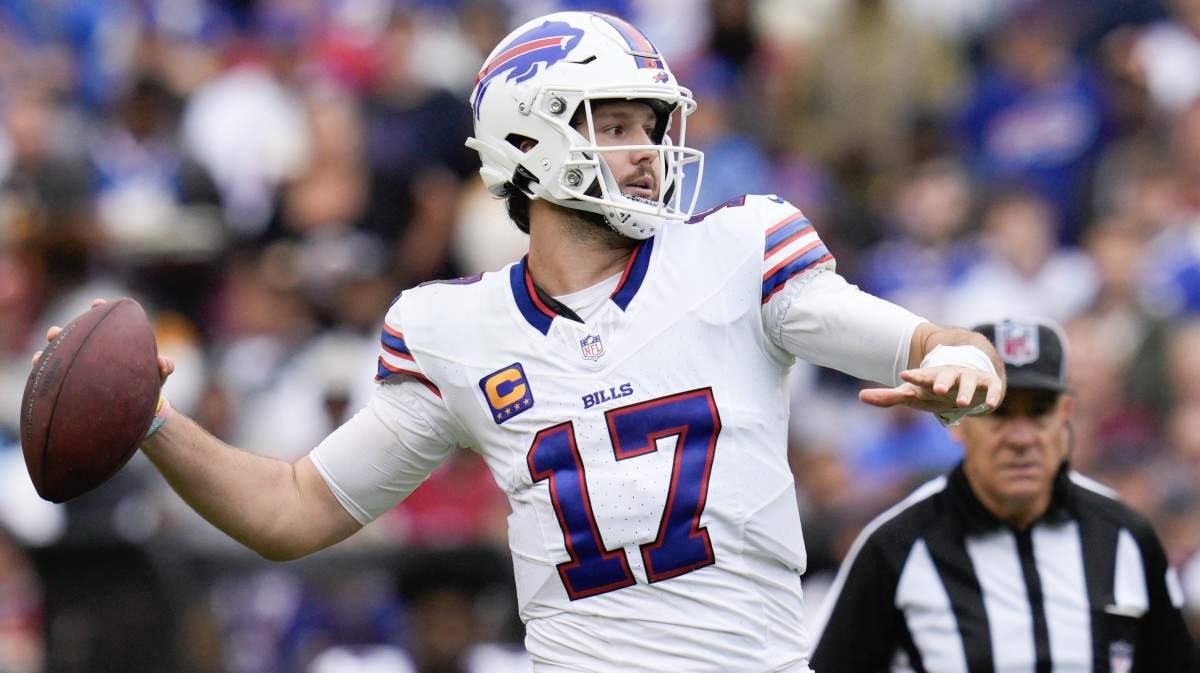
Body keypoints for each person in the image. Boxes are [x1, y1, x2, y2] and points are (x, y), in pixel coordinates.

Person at [34, 12, 1005, 672]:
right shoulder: (455, 329)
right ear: (530, 140)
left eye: (651, 123)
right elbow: (294, 509)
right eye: (615, 123)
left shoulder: (740, 250)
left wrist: (962, 359)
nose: (647, 151)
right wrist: (152, 421)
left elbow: (927, 340)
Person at [810, 318, 1195, 673]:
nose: (1021, 438)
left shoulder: (1124, 535)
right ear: (956, 421)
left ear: (1065, 415)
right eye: (997, 412)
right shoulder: (896, 546)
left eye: (1038, 412)